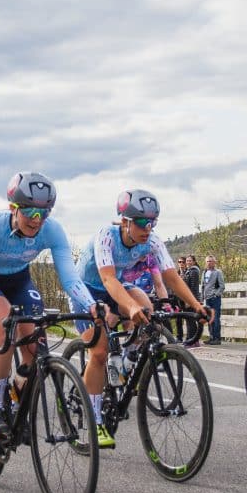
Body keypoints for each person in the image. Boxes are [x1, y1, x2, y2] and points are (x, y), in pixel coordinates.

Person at [0, 172, 102, 438]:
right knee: (4, 324)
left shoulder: (52, 230)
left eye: (44, 213)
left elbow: (69, 278)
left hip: (20, 281)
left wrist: (91, 305)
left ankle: (14, 395)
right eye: (31, 212)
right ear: (13, 208)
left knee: (35, 349)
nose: (37, 220)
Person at [73, 188, 211, 448]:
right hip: (89, 290)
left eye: (152, 222)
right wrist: (128, 307)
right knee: (99, 352)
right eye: (142, 223)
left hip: (118, 284)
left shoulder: (152, 241)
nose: (148, 228)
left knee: (148, 313)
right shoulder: (106, 236)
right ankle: (95, 420)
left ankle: (126, 361)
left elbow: (171, 276)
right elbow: (107, 279)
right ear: (125, 221)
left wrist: (197, 306)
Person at [200, 255, 226, 345]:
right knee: (209, 319)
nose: (209, 263)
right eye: (207, 261)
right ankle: (211, 338)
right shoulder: (204, 272)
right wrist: (201, 298)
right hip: (207, 299)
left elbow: (222, 286)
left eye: (211, 261)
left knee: (216, 318)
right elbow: (203, 286)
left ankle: (217, 338)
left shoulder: (218, 272)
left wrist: (215, 294)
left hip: (215, 299)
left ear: (214, 262)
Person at [183, 255, 202, 347]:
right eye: (187, 261)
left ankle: (193, 340)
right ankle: (191, 339)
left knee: (191, 320)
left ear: (194, 262)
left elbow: (193, 288)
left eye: (190, 261)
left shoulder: (194, 271)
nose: (188, 262)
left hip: (191, 299)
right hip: (188, 298)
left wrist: (189, 300)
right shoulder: (188, 271)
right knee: (189, 320)